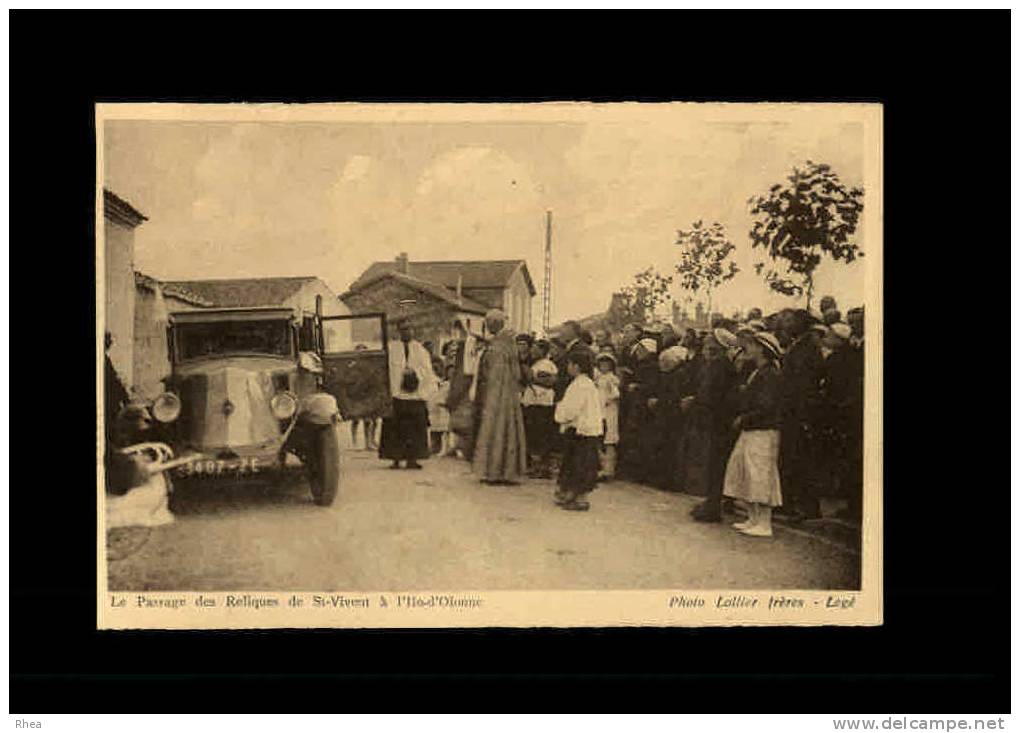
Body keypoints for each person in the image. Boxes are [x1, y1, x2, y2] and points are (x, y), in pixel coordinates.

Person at [723, 331, 784, 537]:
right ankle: (753, 517)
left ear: (762, 349)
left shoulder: (770, 374)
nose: (746, 348)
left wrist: (745, 417)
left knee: (761, 474)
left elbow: (766, 406)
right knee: (744, 470)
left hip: (763, 430)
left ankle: (764, 522)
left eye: (751, 345)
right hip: (752, 429)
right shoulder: (759, 372)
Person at [775, 308, 825, 521]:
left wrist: (802, 413)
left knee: (800, 458)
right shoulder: (799, 344)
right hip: (792, 410)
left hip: (799, 411)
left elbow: (805, 384)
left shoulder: (808, 347)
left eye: (791, 321)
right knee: (792, 457)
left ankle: (805, 507)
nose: (787, 325)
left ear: (801, 324)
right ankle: (792, 504)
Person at [687, 330, 739, 522]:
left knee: (715, 464)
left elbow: (712, 394)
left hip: (718, 421)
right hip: (712, 419)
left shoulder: (722, 366)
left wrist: (695, 401)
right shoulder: (715, 365)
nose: (706, 342)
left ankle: (713, 506)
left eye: (710, 340)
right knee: (710, 463)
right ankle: (709, 502)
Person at [472, 309, 528, 484]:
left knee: (495, 429)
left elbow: (494, 375)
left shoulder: (498, 346)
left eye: (488, 323)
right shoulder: (507, 343)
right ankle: (505, 471)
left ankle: (494, 471)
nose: (487, 327)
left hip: (496, 394)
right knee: (508, 429)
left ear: (495, 324)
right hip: (508, 394)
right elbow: (517, 373)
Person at [379, 318, 438, 470]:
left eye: (410, 329)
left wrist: (414, 373)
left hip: (415, 395)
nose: (407, 332)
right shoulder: (392, 349)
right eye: (404, 329)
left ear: (414, 330)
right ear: (399, 331)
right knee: (395, 427)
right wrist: (399, 376)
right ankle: (396, 458)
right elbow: (386, 369)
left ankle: (413, 458)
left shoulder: (420, 350)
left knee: (415, 428)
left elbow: (427, 370)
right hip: (397, 394)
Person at [554, 349, 603, 511]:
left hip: (580, 430)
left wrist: (560, 414)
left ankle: (581, 498)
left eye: (570, 364)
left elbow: (572, 410)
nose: (568, 367)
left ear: (576, 366)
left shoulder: (580, 385)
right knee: (577, 463)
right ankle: (571, 494)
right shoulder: (586, 384)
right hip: (586, 430)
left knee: (579, 465)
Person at [618, 338, 660, 483]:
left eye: (641, 350)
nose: (638, 353)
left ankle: (639, 473)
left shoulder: (651, 367)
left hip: (642, 408)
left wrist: (636, 387)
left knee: (640, 438)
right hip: (636, 405)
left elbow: (652, 386)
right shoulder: (641, 365)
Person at [521, 339, 558, 479]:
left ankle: (541, 467)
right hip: (532, 402)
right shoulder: (536, 364)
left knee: (539, 434)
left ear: (543, 350)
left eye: (536, 348)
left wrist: (530, 376)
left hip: (541, 403)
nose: (532, 351)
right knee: (534, 434)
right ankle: (537, 465)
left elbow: (549, 382)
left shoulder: (547, 365)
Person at [594, 352, 620, 481]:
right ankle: (602, 467)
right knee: (600, 438)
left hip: (609, 410)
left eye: (607, 364)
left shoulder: (611, 379)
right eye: (601, 364)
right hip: (599, 409)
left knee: (609, 439)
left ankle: (608, 470)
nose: (604, 366)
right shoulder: (599, 378)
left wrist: (607, 400)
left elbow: (616, 393)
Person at [427, 359, 452, 456]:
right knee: (434, 428)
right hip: (434, 407)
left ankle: (443, 448)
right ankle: (434, 446)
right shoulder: (438, 382)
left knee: (443, 429)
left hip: (442, 408)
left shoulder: (447, 384)